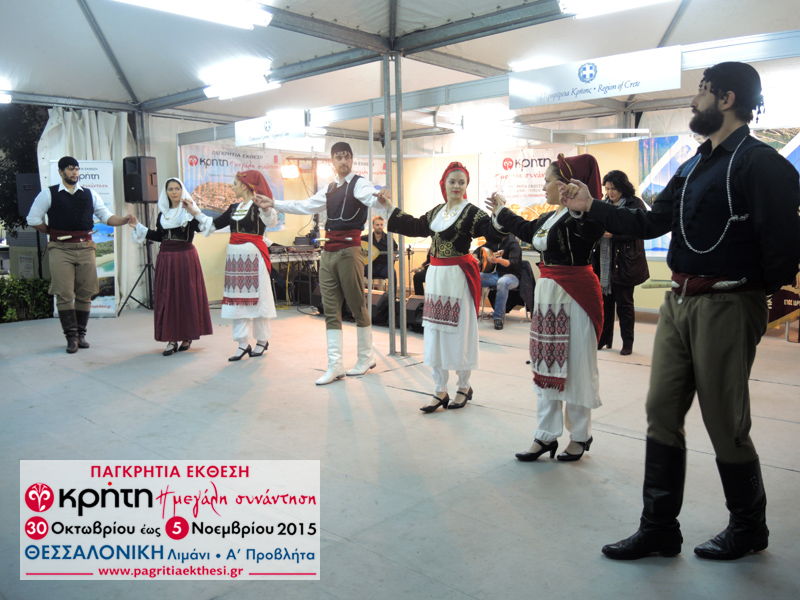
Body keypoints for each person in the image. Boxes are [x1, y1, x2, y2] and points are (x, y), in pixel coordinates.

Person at [560, 62, 800, 560]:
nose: (693, 101)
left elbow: (785, 247)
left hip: (728, 302)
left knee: (724, 421)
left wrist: (749, 293)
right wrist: (591, 205)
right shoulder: (693, 166)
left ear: (727, 99)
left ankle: (749, 527)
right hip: (679, 301)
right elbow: (650, 223)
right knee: (661, 411)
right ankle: (659, 529)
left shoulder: (761, 164)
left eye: (702, 91)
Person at [486, 154, 605, 461]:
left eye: (547, 180)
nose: (543, 187)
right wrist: (501, 210)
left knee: (576, 364)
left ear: (566, 185)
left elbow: (591, 229)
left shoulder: (585, 217)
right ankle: (546, 435)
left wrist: (581, 206)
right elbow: (525, 229)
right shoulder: (550, 218)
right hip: (550, 297)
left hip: (575, 295)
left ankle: (580, 435)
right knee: (547, 364)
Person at [378, 161, 506, 412]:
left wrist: (500, 213)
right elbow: (414, 225)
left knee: (459, 332)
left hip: (458, 277)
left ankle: (464, 386)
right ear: (444, 184)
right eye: (452, 181)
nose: (457, 186)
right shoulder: (437, 212)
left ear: (466, 186)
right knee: (435, 332)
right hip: (436, 277)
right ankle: (439, 389)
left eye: (461, 182)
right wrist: (389, 207)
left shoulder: (472, 213)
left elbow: (493, 233)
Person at [258, 142, 388, 384]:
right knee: (330, 309)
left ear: (352, 159)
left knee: (357, 306)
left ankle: (366, 357)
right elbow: (304, 205)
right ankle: (335, 365)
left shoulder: (360, 184)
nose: (343, 161)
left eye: (347, 156)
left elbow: (373, 199)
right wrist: (273, 203)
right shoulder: (329, 189)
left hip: (349, 250)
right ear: (332, 161)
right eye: (338, 157)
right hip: (328, 252)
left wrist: (381, 200)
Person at [26, 156, 133, 353]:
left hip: (85, 248)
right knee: (64, 292)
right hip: (60, 249)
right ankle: (71, 337)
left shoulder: (90, 194)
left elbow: (106, 217)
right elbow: (33, 219)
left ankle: (81, 335)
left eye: (76, 169)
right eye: (70, 169)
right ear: (60, 172)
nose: (74, 172)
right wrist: (51, 232)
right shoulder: (48, 194)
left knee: (86, 292)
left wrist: (124, 220)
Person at [194, 170, 278, 362]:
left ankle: (262, 340)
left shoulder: (259, 207)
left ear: (245, 186)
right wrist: (194, 211)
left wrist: (265, 208)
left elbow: (271, 221)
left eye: (234, 184)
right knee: (238, 301)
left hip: (254, 259)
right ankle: (242, 343)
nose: (232, 187)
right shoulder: (233, 208)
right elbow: (212, 225)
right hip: (235, 262)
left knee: (258, 299)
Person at [128, 178, 213, 356]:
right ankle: (171, 339)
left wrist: (194, 211)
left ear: (182, 191)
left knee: (186, 296)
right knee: (168, 297)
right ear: (166, 192)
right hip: (166, 258)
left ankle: (187, 336)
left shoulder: (189, 212)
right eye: (170, 189)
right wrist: (138, 226)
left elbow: (204, 227)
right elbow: (159, 236)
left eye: (177, 188)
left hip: (185, 257)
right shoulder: (163, 215)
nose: (174, 192)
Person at [592, 170, 650, 355]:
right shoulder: (603, 205)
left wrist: (614, 236)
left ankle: (627, 343)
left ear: (622, 188)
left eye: (613, 189)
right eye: (607, 189)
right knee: (605, 304)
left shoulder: (635, 204)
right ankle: (604, 339)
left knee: (624, 305)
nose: (610, 192)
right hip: (605, 263)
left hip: (625, 263)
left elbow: (640, 230)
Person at [479, 234, 523, 330]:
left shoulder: (514, 244)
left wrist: (498, 261)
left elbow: (512, 263)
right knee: (475, 277)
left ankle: (498, 317)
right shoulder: (496, 240)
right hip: (497, 274)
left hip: (512, 276)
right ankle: (471, 311)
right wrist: (475, 256)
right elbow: (481, 248)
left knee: (502, 282)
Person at [362, 215, 398, 280]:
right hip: (371, 266)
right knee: (358, 270)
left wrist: (395, 256)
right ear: (373, 226)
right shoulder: (366, 238)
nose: (380, 227)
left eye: (381, 225)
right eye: (377, 225)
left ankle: (393, 288)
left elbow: (396, 251)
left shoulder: (389, 239)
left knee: (393, 273)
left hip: (384, 267)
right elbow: (357, 244)